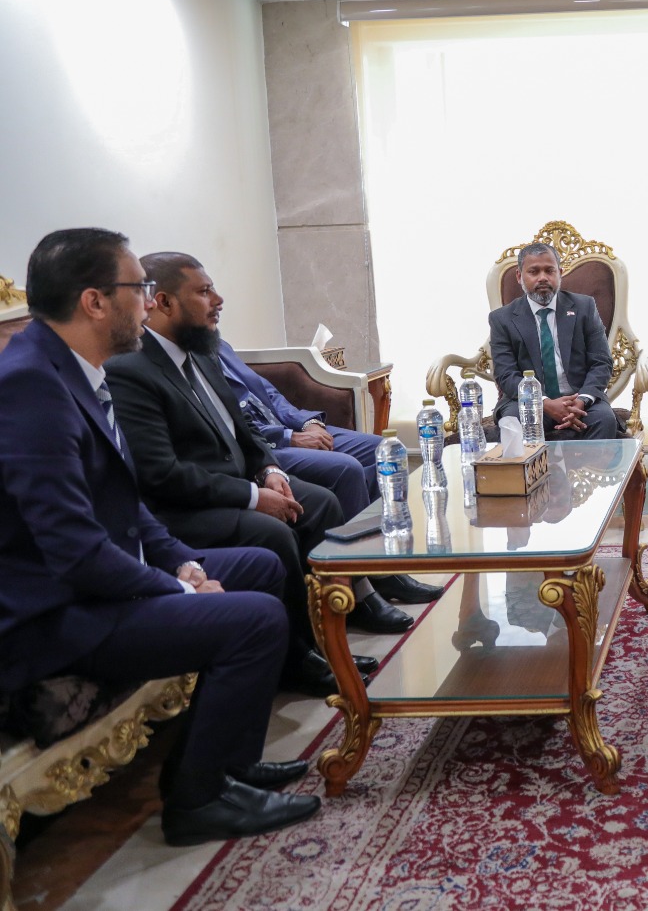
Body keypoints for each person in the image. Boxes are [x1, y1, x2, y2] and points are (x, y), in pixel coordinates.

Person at [0, 228, 319, 845]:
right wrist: (175, 589)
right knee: (254, 621)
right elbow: (73, 551)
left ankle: (230, 763)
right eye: (139, 287)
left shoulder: (74, 369)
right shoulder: (29, 386)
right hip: (54, 615)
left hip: (96, 583)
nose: (149, 302)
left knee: (261, 565)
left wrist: (178, 562)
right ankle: (198, 800)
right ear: (95, 302)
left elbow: (125, 500)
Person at [104, 253, 395, 694]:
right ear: (163, 302)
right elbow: (161, 473)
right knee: (271, 533)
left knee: (321, 502)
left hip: (238, 481)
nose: (218, 300)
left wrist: (269, 468)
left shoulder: (201, 352)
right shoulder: (131, 370)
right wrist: (254, 496)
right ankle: (295, 657)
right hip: (185, 505)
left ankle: (328, 633)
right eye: (204, 292)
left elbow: (242, 429)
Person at [214, 336, 443, 606]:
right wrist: (290, 437)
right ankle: (362, 583)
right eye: (207, 300)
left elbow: (268, 392)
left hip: (289, 427)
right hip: (268, 447)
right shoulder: (191, 362)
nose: (217, 311)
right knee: (348, 469)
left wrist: (306, 422)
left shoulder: (217, 345)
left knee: (384, 449)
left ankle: (385, 564)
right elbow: (234, 424)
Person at [488, 242, 619, 440]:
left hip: (578, 398)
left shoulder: (584, 307)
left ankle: (588, 463)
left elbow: (601, 362)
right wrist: (544, 402)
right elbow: (506, 374)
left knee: (604, 419)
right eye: (534, 271)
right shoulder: (502, 319)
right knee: (514, 421)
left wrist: (582, 400)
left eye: (549, 271)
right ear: (519, 276)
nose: (543, 277)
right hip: (527, 401)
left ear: (560, 273)